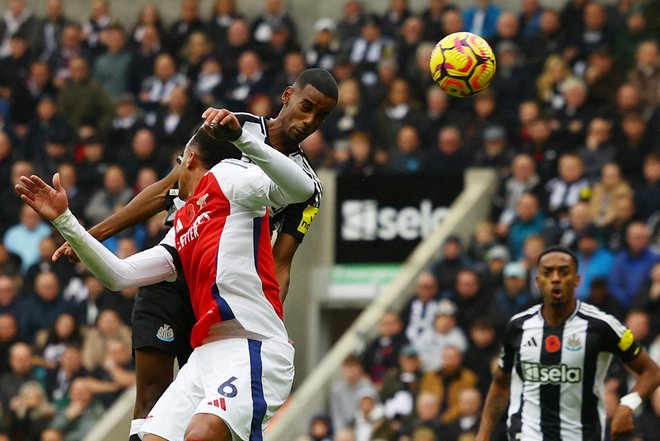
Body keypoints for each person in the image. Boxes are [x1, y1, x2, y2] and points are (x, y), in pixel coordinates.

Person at [18, 74, 338, 441]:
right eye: (306, 107)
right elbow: (152, 212)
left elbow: (284, 255)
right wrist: (78, 228)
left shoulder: (245, 176)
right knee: (152, 410)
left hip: (242, 296)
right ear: (287, 96)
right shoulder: (225, 137)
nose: (309, 122)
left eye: (320, 117)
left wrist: (273, 320)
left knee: (205, 429)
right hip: (186, 269)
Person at [476, 246, 660, 441]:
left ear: (576, 280)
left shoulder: (602, 326)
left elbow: (652, 372)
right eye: (547, 273)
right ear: (538, 281)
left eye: (564, 272)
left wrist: (627, 405)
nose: (555, 278)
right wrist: (483, 435)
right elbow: (500, 384)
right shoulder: (518, 326)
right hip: (527, 433)